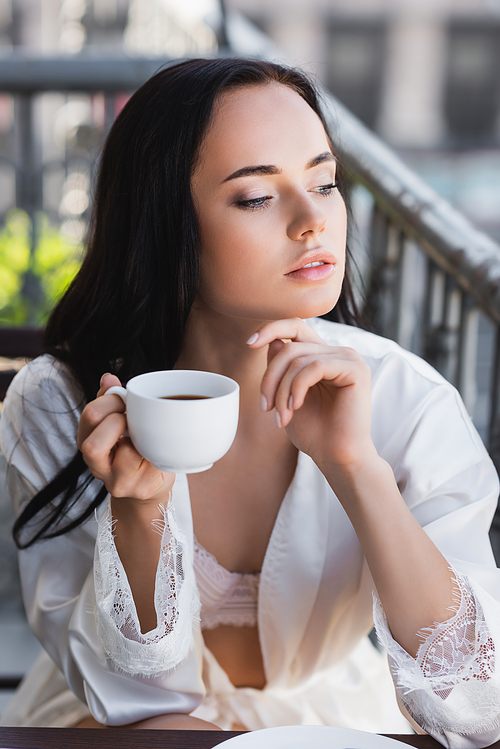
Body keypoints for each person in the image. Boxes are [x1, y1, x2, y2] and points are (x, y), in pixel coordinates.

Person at [1, 57, 500, 746]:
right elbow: (140, 703)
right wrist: (139, 511)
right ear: (165, 221)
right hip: (115, 724)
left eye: (324, 182)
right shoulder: (62, 403)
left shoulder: (404, 400)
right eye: (257, 197)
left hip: (323, 722)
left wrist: (357, 467)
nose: (312, 221)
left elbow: (478, 707)